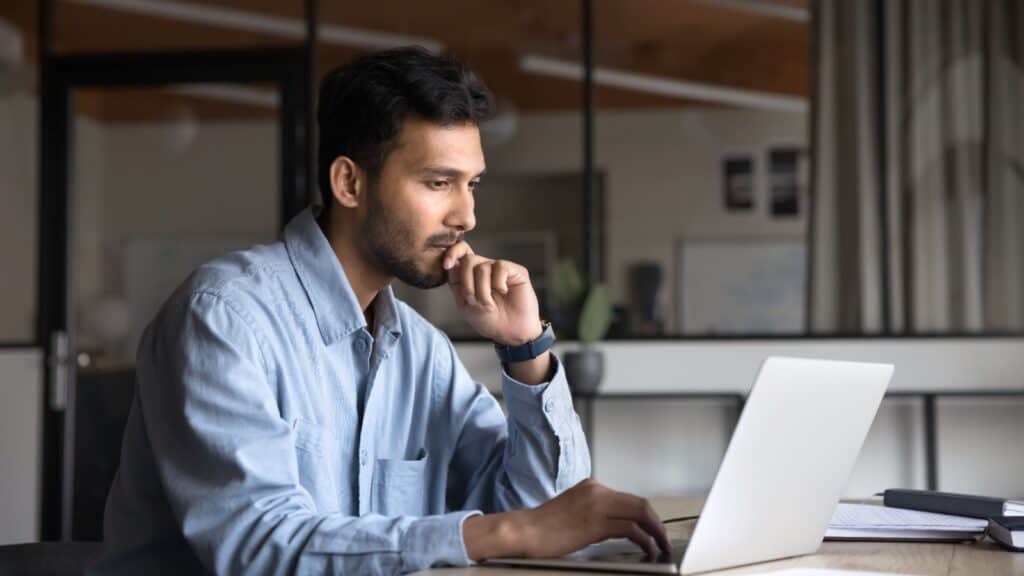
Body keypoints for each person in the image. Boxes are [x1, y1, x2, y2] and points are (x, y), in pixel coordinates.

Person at [94, 46, 669, 575]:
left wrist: (525, 350)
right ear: (349, 182)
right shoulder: (222, 318)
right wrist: (508, 530)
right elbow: (258, 546)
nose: (466, 216)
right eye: (439, 182)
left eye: (473, 185)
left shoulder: (421, 351)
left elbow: (550, 519)